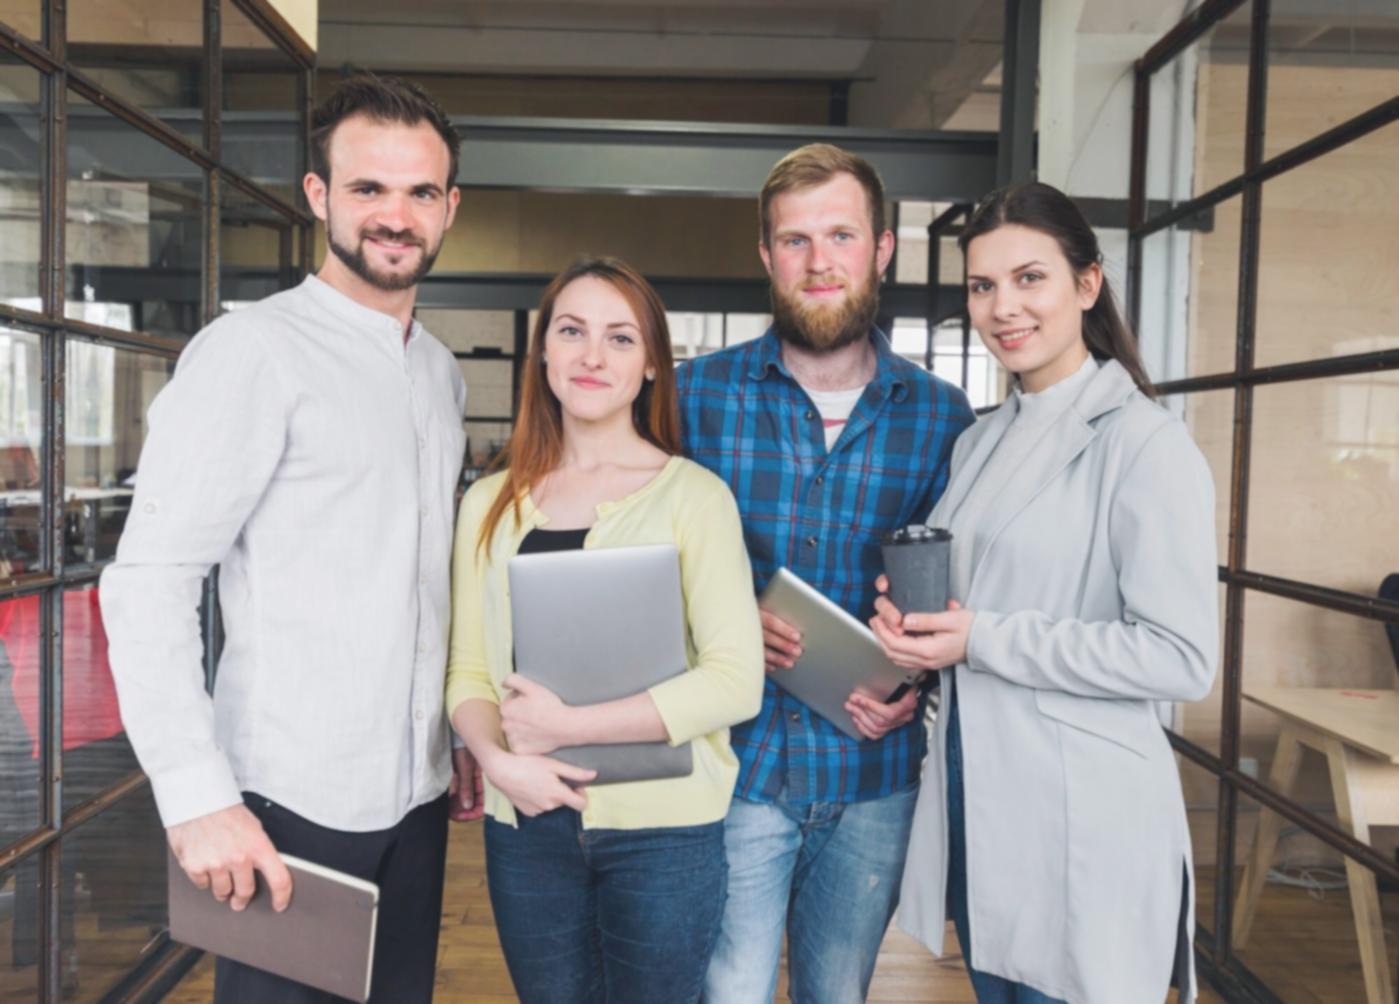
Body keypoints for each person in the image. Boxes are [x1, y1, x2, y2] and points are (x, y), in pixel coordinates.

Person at [99, 74, 473, 1002]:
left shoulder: (438, 373)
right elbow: (147, 580)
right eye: (367, 189)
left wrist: (454, 731)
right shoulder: (251, 353)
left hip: (417, 802)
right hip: (286, 803)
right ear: (319, 197)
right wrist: (195, 795)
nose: (396, 215)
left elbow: (421, 582)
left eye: (420, 192)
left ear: (450, 207)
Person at [871, 181, 1218, 1004]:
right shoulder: (980, 439)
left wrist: (978, 638)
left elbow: (1179, 657)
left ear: (1086, 285)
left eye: (1029, 279)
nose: (1003, 308)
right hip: (983, 806)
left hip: (1082, 823)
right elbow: (973, 605)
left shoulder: (1143, 444)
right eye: (983, 286)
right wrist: (913, 651)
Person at [677, 143, 975, 1003]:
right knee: (725, 991)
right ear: (765, 255)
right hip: (737, 764)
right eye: (795, 240)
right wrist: (718, 620)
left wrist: (919, 679)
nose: (818, 262)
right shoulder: (696, 397)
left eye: (840, 236)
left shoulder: (942, 416)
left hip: (872, 777)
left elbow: (957, 592)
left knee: (836, 994)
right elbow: (638, 552)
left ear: (880, 248)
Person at [446, 257, 764, 1003]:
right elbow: (466, 673)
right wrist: (499, 761)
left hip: (665, 833)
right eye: (572, 331)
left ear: (651, 363)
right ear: (543, 354)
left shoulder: (694, 497)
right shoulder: (488, 503)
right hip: (527, 825)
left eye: (620, 338)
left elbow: (733, 680)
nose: (592, 356)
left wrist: (566, 727)